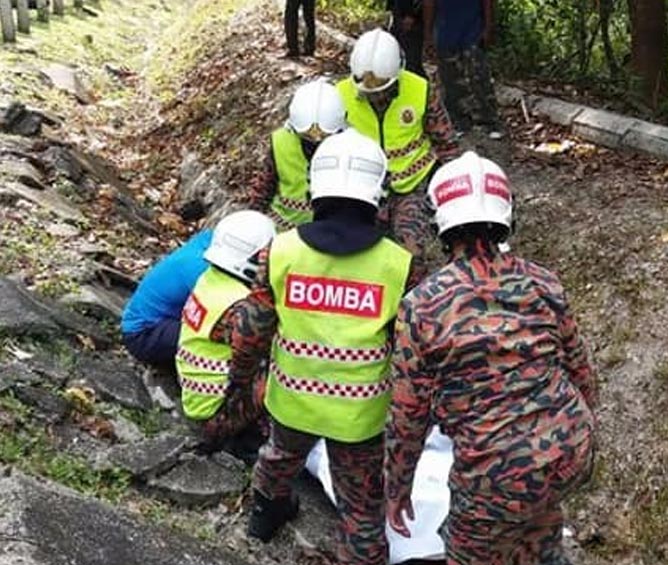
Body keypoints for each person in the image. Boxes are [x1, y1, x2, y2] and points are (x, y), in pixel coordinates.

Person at [385, 152, 597, 565]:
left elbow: (408, 415)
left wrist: (397, 488)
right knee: (537, 524)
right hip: (570, 448)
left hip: (494, 472)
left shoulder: (423, 306)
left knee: (470, 554)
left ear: (438, 223)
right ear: (507, 216)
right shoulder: (543, 281)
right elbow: (581, 373)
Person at [230, 129, 413, 565]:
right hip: (359, 416)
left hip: (292, 400)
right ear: (379, 194)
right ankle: (363, 559)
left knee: (278, 457)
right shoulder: (398, 264)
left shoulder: (280, 251)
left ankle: (264, 516)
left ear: (315, 189)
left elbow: (251, 330)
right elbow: (410, 350)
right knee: (362, 501)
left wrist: (239, 383)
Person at [336, 28, 459, 280]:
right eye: (369, 92)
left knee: (409, 253)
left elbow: (446, 143)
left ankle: (413, 307)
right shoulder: (339, 97)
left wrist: (455, 192)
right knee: (359, 252)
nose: (376, 96)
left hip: (410, 187)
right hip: (361, 190)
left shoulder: (420, 91)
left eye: (382, 90)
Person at [175, 210, 276, 455]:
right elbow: (265, 347)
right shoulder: (239, 306)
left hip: (195, 391)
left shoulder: (211, 279)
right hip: (215, 408)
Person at [248, 79, 347, 231]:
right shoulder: (281, 142)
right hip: (285, 233)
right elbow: (264, 187)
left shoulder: (350, 146)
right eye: (308, 135)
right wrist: (251, 222)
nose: (315, 139)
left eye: (323, 135)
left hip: (331, 233)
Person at [121, 229, 213, 369]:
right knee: (217, 340)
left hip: (156, 323)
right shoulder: (199, 265)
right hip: (144, 334)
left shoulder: (206, 241)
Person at [423, 0, 504, 139]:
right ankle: (459, 121)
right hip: (445, 33)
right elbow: (429, 4)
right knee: (450, 81)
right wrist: (428, 36)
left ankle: (490, 121)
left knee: (479, 77)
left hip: (473, 32)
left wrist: (488, 27)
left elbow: (487, 2)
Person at [387, 0, 426, 77]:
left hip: (412, 19)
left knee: (411, 63)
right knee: (397, 58)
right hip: (398, 15)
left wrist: (412, 14)